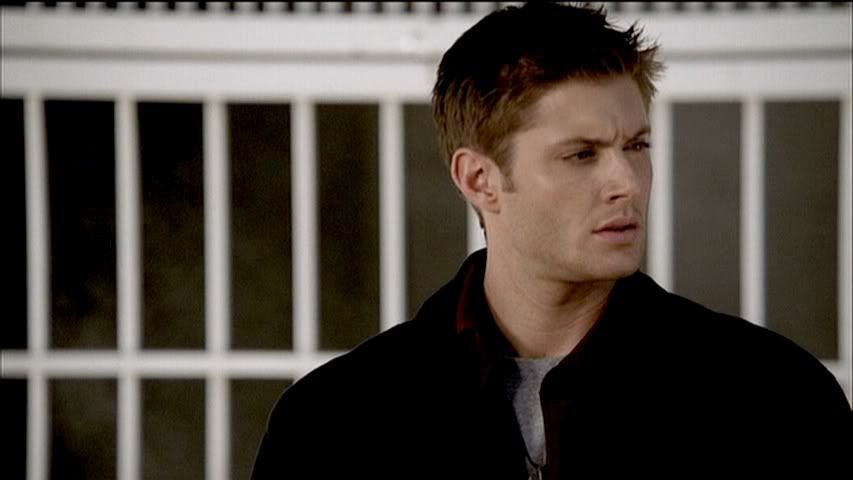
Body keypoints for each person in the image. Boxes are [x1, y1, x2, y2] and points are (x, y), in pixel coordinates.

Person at [252, 3, 851, 478]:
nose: (627, 183)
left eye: (636, 146)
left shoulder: (775, 399)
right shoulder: (334, 423)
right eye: (582, 154)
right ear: (479, 179)